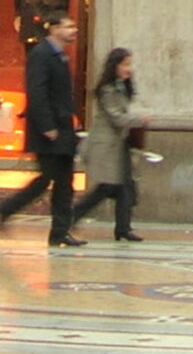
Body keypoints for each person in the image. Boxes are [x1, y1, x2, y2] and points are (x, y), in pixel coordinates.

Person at [0, 14, 82, 248]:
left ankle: (60, 232)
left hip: (62, 128)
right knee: (47, 179)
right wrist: (47, 126)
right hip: (48, 131)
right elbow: (38, 91)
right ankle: (5, 209)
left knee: (64, 181)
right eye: (68, 26)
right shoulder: (41, 54)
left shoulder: (60, 55)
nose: (74, 30)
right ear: (53, 29)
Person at [67, 47, 146, 242]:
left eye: (130, 64)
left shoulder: (121, 87)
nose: (129, 69)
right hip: (107, 145)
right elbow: (116, 117)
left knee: (124, 186)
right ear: (115, 65)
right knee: (107, 187)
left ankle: (123, 228)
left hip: (120, 144)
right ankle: (74, 216)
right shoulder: (107, 89)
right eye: (125, 64)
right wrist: (138, 120)